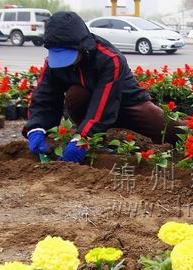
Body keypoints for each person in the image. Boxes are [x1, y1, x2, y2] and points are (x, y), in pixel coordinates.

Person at [22, 11, 179, 163]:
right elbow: (44, 95)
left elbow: (104, 104)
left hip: (129, 105)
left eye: (67, 55)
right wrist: (36, 127)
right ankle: (98, 142)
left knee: (169, 131)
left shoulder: (109, 59)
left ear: (82, 46)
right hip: (91, 105)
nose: (63, 62)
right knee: (76, 94)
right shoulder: (53, 63)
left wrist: (82, 138)